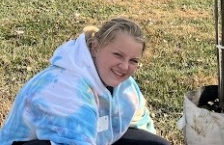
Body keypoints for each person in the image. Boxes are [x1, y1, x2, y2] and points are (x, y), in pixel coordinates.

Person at [0, 18, 170, 145]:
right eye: (117, 55)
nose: (125, 66)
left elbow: (141, 124)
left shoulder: (126, 86)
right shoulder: (65, 89)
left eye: (133, 60)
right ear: (95, 48)